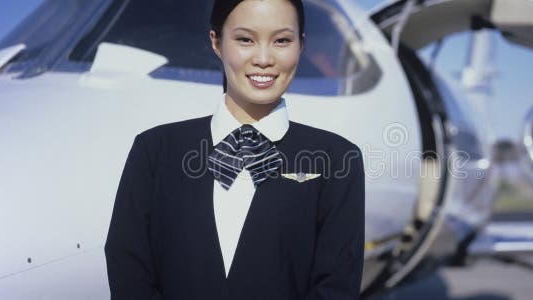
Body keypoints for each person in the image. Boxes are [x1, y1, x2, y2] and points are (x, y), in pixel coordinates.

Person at [104, 0, 366, 299]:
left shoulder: (337, 159)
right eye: (245, 39)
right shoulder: (155, 151)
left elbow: (336, 287)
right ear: (217, 42)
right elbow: (128, 271)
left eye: (282, 40)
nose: (264, 58)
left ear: (301, 45)